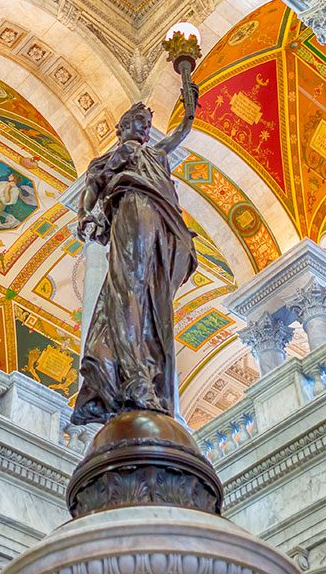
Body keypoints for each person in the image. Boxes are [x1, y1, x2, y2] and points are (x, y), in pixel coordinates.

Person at [71, 78, 199, 425]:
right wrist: (85, 215)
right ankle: (134, 375)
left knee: (152, 290)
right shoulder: (117, 156)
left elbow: (180, 132)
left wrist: (189, 107)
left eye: (147, 123)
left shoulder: (155, 155)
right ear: (123, 127)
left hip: (161, 217)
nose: (145, 128)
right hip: (132, 207)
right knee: (132, 282)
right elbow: (92, 187)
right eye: (139, 121)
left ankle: (146, 373)